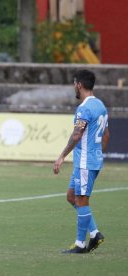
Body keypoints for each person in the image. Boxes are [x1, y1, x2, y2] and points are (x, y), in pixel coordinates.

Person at [53, 70, 110, 254]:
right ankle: (94, 234)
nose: (73, 88)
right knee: (72, 196)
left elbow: (77, 134)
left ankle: (80, 244)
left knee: (82, 200)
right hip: (86, 161)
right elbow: (106, 134)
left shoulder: (84, 108)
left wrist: (62, 156)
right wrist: (99, 154)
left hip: (86, 162)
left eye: (74, 84)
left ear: (79, 85)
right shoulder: (100, 105)